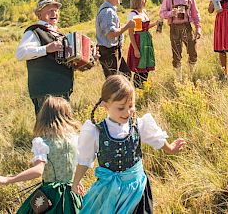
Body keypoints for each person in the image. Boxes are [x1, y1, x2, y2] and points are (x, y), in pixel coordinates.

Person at [71, 74, 186, 213]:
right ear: (105, 105)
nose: (127, 112)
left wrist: (170, 148)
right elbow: (85, 159)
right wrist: (76, 182)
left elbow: (156, 139)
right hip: (110, 192)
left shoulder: (138, 125)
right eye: (121, 108)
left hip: (137, 190)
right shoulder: (96, 132)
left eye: (130, 106)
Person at [0, 96, 83, 213]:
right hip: (72, 194)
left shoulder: (42, 142)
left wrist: (8, 179)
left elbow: (38, 171)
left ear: (43, 117)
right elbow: (75, 164)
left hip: (52, 195)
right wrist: (77, 181)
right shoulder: (75, 139)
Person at [16, 0, 72, 116]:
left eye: (56, 10)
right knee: (48, 130)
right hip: (45, 92)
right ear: (39, 14)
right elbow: (20, 54)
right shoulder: (34, 31)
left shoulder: (59, 34)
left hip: (62, 89)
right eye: (49, 10)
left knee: (64, 127)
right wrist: (46, 49)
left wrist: (88, 59)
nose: (54, 13)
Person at [159, 0, 202, 80]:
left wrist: (198, 29)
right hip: (174, 28)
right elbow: (161, 13)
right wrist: (170, 13)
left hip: (187, 26)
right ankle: (179, 79)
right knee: (176, 55)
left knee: (193, 52)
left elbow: (196, 15)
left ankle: (191, 75)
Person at [96, 0, 135, 79]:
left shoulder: (108, 10)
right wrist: (127, 26)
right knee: (115, 81)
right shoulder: (108, 12)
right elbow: (111, 34)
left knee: (124, 76)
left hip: (111, 51)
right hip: (109, 52)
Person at [126, 0, 158, 88]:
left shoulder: (143, 12)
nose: (145, 1)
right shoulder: (133, 15)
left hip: (146, 42)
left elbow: (145, 27)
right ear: (138, 1)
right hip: (139, 42)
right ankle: (137, 90)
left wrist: (156, 23)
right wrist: (136, 49)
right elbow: (131, 33)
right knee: (139, 68)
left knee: (146, 68)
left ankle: (143, 88)